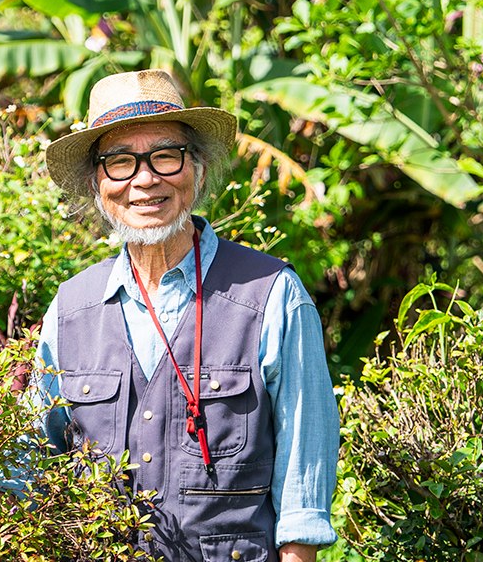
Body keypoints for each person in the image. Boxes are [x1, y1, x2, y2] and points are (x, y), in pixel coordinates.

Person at [36, 69, 339, 562]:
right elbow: (33, 459)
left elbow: (304, 477)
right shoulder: (70, 309)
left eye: (165, 156)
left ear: (196, 169)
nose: (145, 178)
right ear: (98, 184)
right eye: (119, 162)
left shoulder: (272, 294)